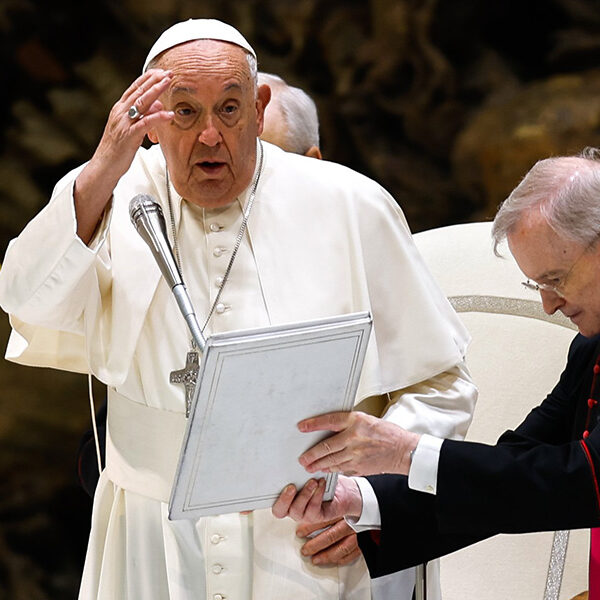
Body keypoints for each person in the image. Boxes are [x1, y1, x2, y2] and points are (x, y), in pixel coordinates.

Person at [0, 19, 477, 600]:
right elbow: (26, 298)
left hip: (311, 534)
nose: (208, 136)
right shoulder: (113, 197)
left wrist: (372, 502)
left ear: (258, 106)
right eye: (184, 112)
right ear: (150, 119)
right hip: (152, 540)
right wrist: (102, 166)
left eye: (228, 110)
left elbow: (441, 385)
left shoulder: (352, 204)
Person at [272, 148, 600, 595]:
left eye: (556, 278)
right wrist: (365, 501)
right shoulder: (590, 347)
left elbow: (581, 480)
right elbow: (518, 468)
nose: (549, 304)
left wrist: (406, 452)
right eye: (537, 284)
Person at [76, 70, 324, 499]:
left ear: (312, 162)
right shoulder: (151, 239)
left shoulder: (353, 235)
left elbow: (425, 390)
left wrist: (370, 500)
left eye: (265, 161)